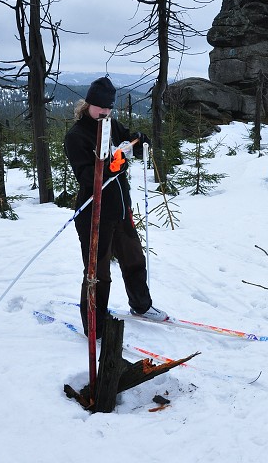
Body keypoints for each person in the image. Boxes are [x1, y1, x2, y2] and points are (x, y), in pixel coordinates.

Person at [64, 76, 167, 338]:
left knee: (133, 259)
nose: (105, 112)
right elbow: (87, 177)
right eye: (101, 107)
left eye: (109, 107)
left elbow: (130, 141)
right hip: (93, 215)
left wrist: (139, 140)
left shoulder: (110, 124)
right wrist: (112, 166)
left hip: (121, 211)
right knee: (98, 273)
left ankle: (141, 306)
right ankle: (95, 325)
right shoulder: (77, 135)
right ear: (88, 104)